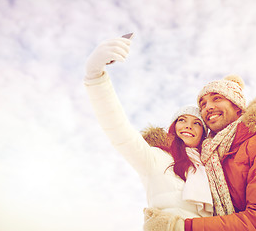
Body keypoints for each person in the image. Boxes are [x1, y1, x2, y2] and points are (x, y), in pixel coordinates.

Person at [144, 75, 256, 230]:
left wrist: (180, 227)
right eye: (202, 104)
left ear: (237, 106)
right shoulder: (211, 158)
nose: (208, 107)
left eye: (217, 98)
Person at [84, 36, 215, 229]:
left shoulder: (212, 168)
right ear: (173, 128)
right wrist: (95, 77)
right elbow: (118, 127)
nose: (188, 126)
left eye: (196, 123)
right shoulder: (155, 158)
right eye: (182, 120)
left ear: (204, 134)